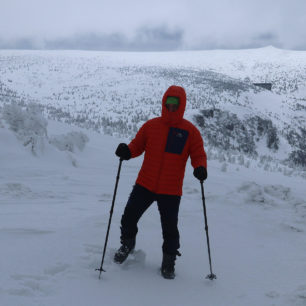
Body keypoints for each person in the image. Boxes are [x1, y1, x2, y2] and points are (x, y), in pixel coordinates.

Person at [114, 85, 207, 279]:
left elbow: (198, 153)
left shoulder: (190, 132)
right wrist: (127, 151)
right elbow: (137, 145)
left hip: (171, 189)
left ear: (181, 106)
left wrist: (200, 167)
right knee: (129, 217)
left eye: (175, 104)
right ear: (164, 103)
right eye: (168, 103)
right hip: (145, 183)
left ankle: (169, 261)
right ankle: (127, 244)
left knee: (170, 229)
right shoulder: (151, 126)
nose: (171, 107)